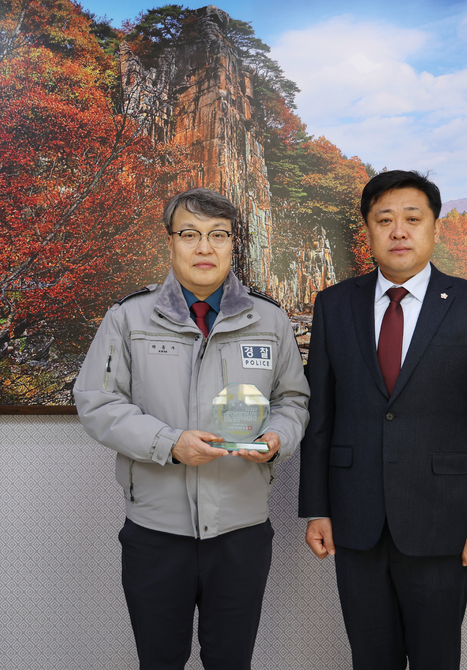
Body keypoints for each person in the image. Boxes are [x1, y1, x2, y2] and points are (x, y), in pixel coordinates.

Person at [74, 188, 309, 670]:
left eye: (218, 235)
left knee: (231, 660)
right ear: (170, 241)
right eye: (190, 234)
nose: (205, 248)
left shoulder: (269, 319)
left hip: (241, 529)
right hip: (156, 531)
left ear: (233, 243)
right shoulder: (128, 317)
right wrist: (170, 443)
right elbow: (97, 401)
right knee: (160, 660)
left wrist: (279, 438)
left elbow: (293, 400)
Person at [299, 170, 467, 670]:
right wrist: (316, 508)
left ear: (434, 227)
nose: (399, 231)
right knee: (370, 658)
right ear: (368, 231)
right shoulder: (334, 305)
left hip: (443, 519)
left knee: (437, 657)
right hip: (355, 516)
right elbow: (319, 416)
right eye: (384, 220)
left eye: (412, 219)